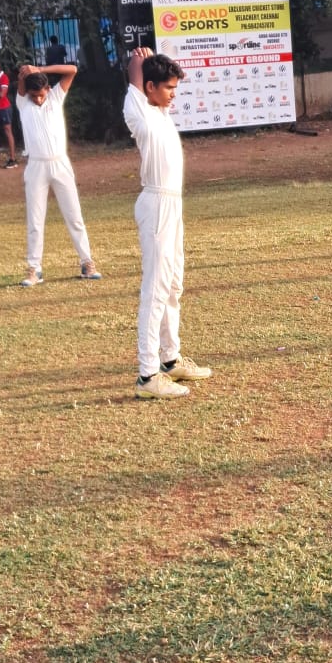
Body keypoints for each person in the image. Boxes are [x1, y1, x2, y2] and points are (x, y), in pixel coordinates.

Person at [124, 46, 211, 399]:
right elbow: (135, 77)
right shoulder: (139, 112)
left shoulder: (159, 112)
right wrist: (137, 61)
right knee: (156, 290)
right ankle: (147, 377)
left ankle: (170, 359)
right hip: (156, 203)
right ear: (150, 87)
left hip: (172, 205)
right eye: (169, 88)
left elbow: (145, 79)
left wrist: (151, 60)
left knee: (174, 285)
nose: (174, 95)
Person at [14, 61, 100, 286]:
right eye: (34, 96)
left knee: (74, 216)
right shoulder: (23, 102)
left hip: (60, 163)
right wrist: (26, 72)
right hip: (36, 166)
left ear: (48, 90)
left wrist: (41, 70)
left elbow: (72, 70)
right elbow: (22, 80)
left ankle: (87, 262)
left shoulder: (55, 97)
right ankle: (34, 269)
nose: (38, 99)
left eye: (41, 95)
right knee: (35, 219)